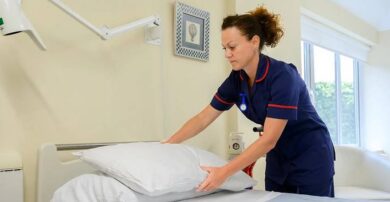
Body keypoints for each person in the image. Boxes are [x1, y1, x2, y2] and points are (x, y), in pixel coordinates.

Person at [163, 6, 335, 197]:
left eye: (232, 47)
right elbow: (204, 118)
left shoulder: (283, 77)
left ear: (254, 42)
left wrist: (224, 173)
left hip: (309, 153)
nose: (227, 54)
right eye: (224, 48)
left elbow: (269, 139)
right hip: (278, 155)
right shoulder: (236, 80)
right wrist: (168, 144)